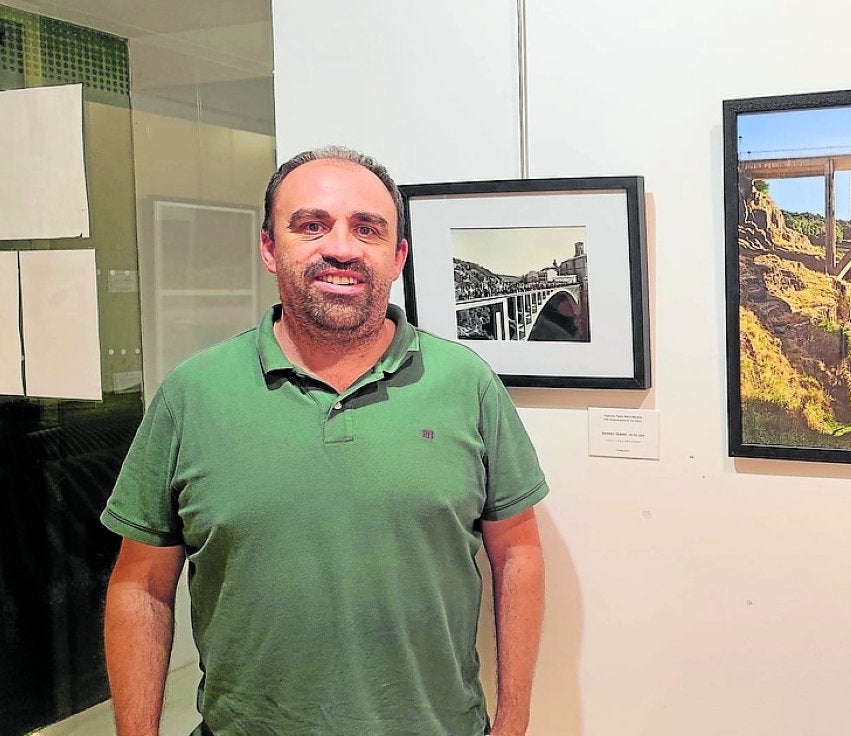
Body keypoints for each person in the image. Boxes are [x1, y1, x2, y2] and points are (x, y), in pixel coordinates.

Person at [101, 146, 548, 736]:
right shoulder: (193, 393)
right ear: (268, 248)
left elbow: (517, 553)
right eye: (312, 226)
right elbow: (141, 584)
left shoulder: (468, 384)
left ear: (397, 256)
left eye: (368, 229)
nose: (341, 247)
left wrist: (514, 723)